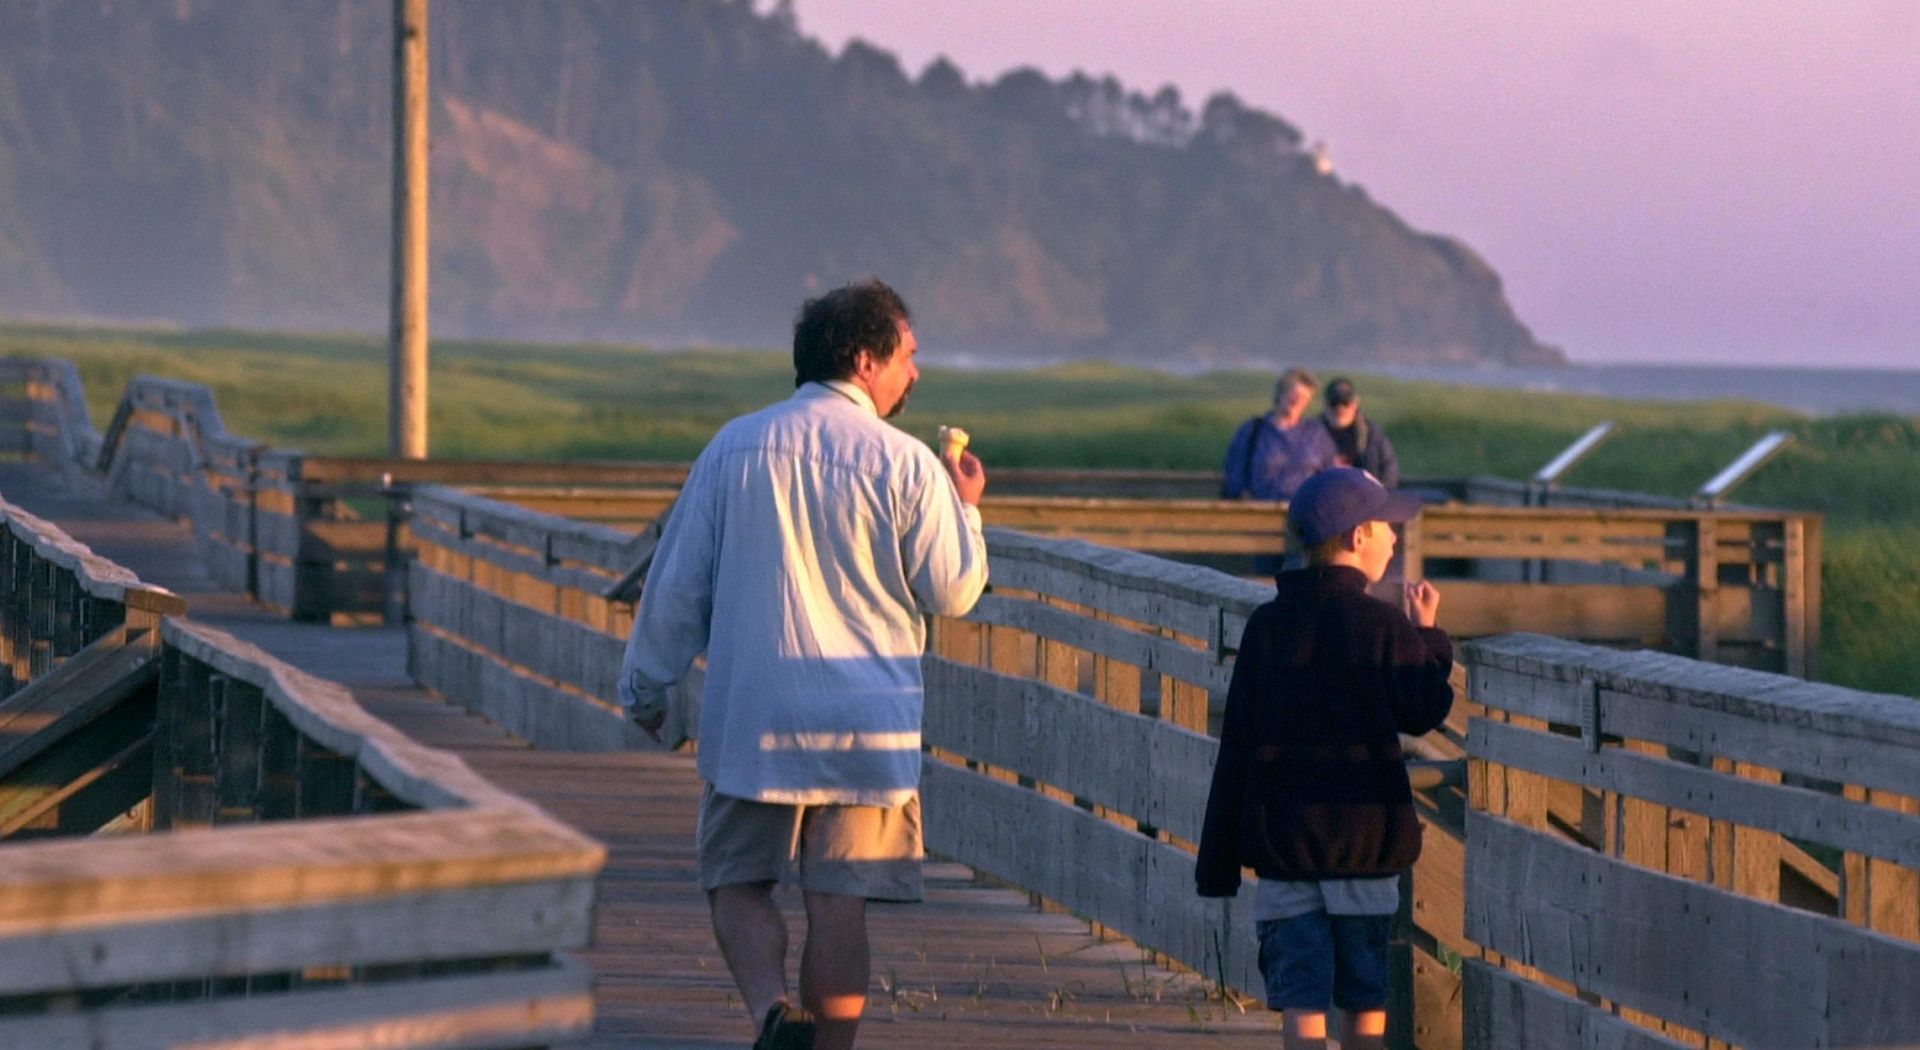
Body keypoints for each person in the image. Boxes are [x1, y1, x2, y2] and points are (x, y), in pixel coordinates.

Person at [619, 280, 989, 1050]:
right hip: (865, 723)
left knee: (736, 880)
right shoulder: (909, 463)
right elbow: (953, 591)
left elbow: (677, 582)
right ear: (865, 359)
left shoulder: (736, 445)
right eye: (908, 356)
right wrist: (968, 509)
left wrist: (647, 685)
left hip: (755, 710)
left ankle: (769, 1014)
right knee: (839, 899)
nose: (915, 374)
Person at [1194, 467, 1454, 1050]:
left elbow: (1236, 742)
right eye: (1389, 527)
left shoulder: (1266, 626)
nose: (1395, 538)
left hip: (1285, 847)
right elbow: (1424, 708)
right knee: (1366, 998)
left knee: (1302, 1001)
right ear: (1358, 537)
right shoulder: (1383, 624)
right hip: (1364, 847)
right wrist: (1430, 637)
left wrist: (1217, 864)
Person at [1221, 367, 1341, 501]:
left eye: (1304, 398)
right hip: (1261, 512)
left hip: (1305, 513)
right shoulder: (1253, 431)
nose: (1297, 401)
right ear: (1281, 393)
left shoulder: (1316, 433)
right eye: (1294, 395)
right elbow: (1234, 478)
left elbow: (1331, 475)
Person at [1320, 377, 1400, 488]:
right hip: (1324, 495)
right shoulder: (1312, 433)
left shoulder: (1371, 433)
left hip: (1365, 496)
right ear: (1325, 404)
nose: (1340, 408)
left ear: (1355, 403)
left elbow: (1390, 470)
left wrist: (1377, 493)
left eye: (1345, 402)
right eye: (1334, 403)